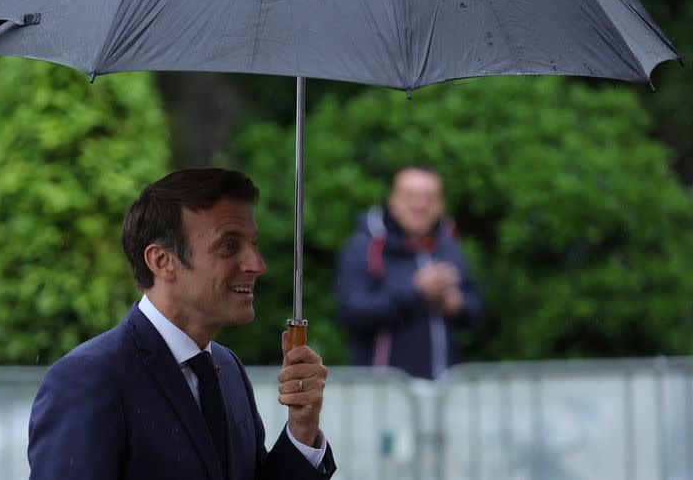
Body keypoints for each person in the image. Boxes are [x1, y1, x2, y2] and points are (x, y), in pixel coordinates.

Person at [28, 168, 336, 480]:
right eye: (229, 245)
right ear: (162, 261)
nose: (257, 265)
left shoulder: (228, 370)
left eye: (253, 243)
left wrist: (302, 429)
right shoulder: (89, 379)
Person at [335, 166, 484, 380]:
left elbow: (477, 309)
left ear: (442, 204)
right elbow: (352, 310)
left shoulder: (449, 245)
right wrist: (416, 291)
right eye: (410, 197)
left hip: (442, 387)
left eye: (430, 198)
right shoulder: (364, 246)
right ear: (392, 201)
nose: (420, 205)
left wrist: (455, 305)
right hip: (385, 389)